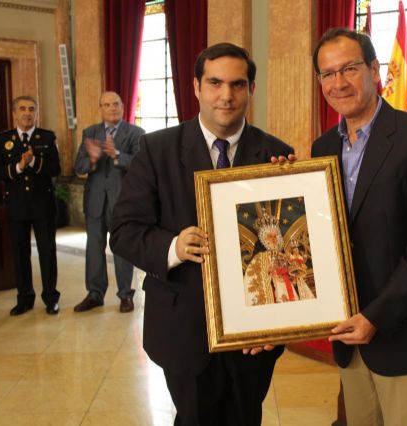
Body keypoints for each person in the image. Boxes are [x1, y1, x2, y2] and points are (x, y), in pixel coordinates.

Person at [109, 43, 293, 425]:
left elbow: (291, 251)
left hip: (254, 338)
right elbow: (124, 231)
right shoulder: (157, 149)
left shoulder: (277, 155)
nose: (226, 95)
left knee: (246, 418)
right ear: (196, 87)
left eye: (238, 85)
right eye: (215, 83)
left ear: (251, 89)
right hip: (184, 328)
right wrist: (173, 247)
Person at [311, 28, 407, 425]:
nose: (338, 83)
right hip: (349, 338)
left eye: (350, 69)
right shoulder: (322, 149)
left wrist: (376, 316)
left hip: (405, 334)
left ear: (375, 70)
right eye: (327, 74)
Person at [73, 91, 144, 313]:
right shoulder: (90, 132)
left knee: (122, 249)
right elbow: (79, 167)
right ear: (100, 108)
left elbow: (141, 166)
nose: (112, 108)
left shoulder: (135, 133)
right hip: (95, 202)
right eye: (107, 105)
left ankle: (126, 295)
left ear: (123, 107)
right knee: (94, 249)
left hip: (122, 203)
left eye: (116, 104)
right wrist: (93, 159)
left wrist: (116, 155)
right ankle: (95, 294)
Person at [0, 96, 61, 315]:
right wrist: (20, 166)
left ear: (36, 113)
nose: (27, 113)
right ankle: (24, 298)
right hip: (17, 206)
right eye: (22, 109)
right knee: (20, 254)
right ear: (14, 113)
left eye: (32, 109)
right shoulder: (4, 139)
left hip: (43, 205)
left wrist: (33, 161)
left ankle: (51, 298)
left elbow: (55, 169)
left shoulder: (47, 137)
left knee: (47, 253)